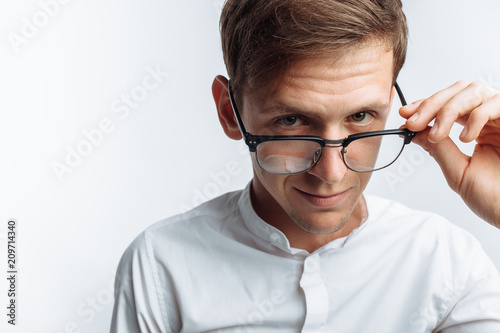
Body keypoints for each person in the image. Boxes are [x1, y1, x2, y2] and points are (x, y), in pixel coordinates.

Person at [110, 0, 500, 331]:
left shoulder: (447, 263)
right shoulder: (160, 266)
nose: (331, 172)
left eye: (362, 115)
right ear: (231, 112)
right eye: (292, 121)